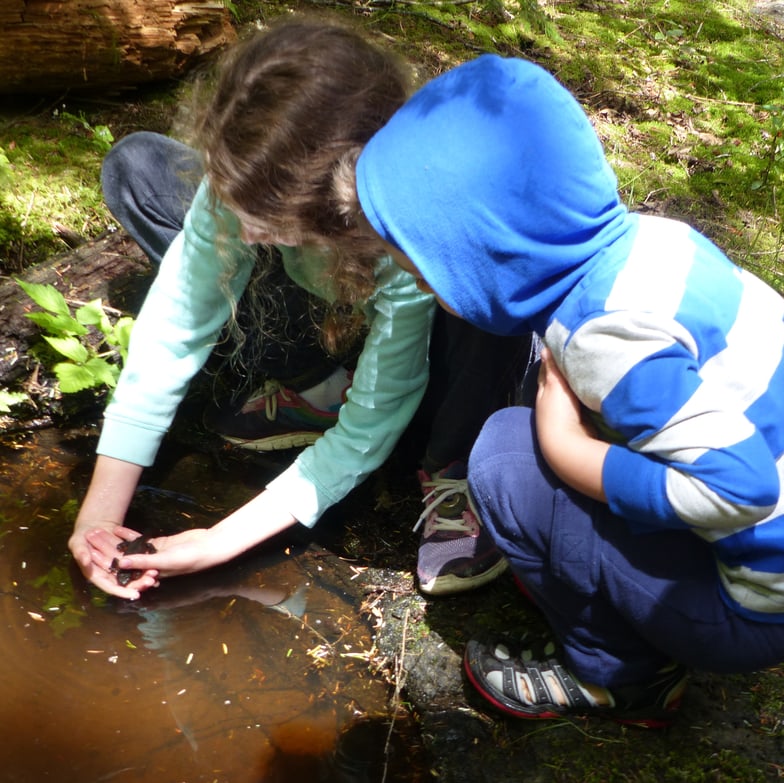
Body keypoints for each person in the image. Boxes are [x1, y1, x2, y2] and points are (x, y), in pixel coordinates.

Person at [350, 54, 784, 727]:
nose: (420, 286)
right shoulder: (648, 245)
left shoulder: (605, 336)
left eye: (424, 269)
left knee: (503, 457)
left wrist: (565, 446)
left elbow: (741, 487)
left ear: (481, 256)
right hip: (763, 545)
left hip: (754, 609)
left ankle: (621, 676)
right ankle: (611, 585)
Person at [68, 19, 529, 602]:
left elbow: (373, 421)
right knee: (140, 167)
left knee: (480, 283)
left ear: (339, 197)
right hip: (328, 304)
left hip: (423, 346)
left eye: (265, 215)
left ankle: (455, 466)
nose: (247, 229)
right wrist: (99, 514)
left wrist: (218, 541)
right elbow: (175, 326)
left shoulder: (409, 229)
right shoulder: (248, 183)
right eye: (237, 202)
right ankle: (316, 389)